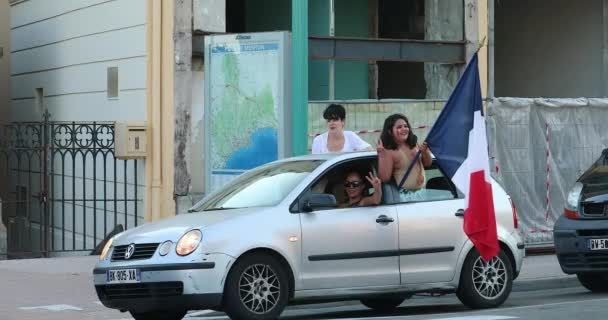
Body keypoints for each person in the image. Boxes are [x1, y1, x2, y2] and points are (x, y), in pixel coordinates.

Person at [377, 114, 432, 200]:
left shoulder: (415, 145)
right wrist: (381, 155)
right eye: (399, 127)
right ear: (390, 131)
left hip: (423, 194)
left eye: (406, 126)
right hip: (404, 198)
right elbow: (384, 178)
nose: (404, 129)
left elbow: (428, 164)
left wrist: (425, 152)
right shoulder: (389, 151)